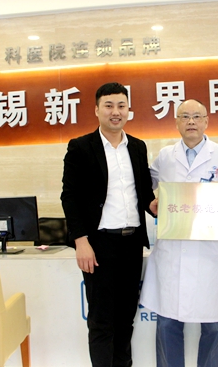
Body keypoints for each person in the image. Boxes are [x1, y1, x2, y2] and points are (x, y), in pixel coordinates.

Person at [60, 82, 155, 367]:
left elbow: (144, 194)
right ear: (97, 110)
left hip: (131, 244)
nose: (116, 112)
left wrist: (160, 206)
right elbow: (69, 196)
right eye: (109, 106)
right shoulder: (80, 147)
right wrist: (81, 241)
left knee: (126, 319)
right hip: (99, 245)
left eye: (121, 106)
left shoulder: (137, 147)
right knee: (101, 321)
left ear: (128, 110)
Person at [140, 99, 218, 367]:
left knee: (214, 327)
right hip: (173, 254)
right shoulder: (165, 156)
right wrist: (152, 203)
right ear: (176, 122)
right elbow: (144, 187)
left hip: (211, 256)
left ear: (206, 121)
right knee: (167, 325)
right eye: (184, 116)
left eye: (197, 116)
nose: (191, 121)